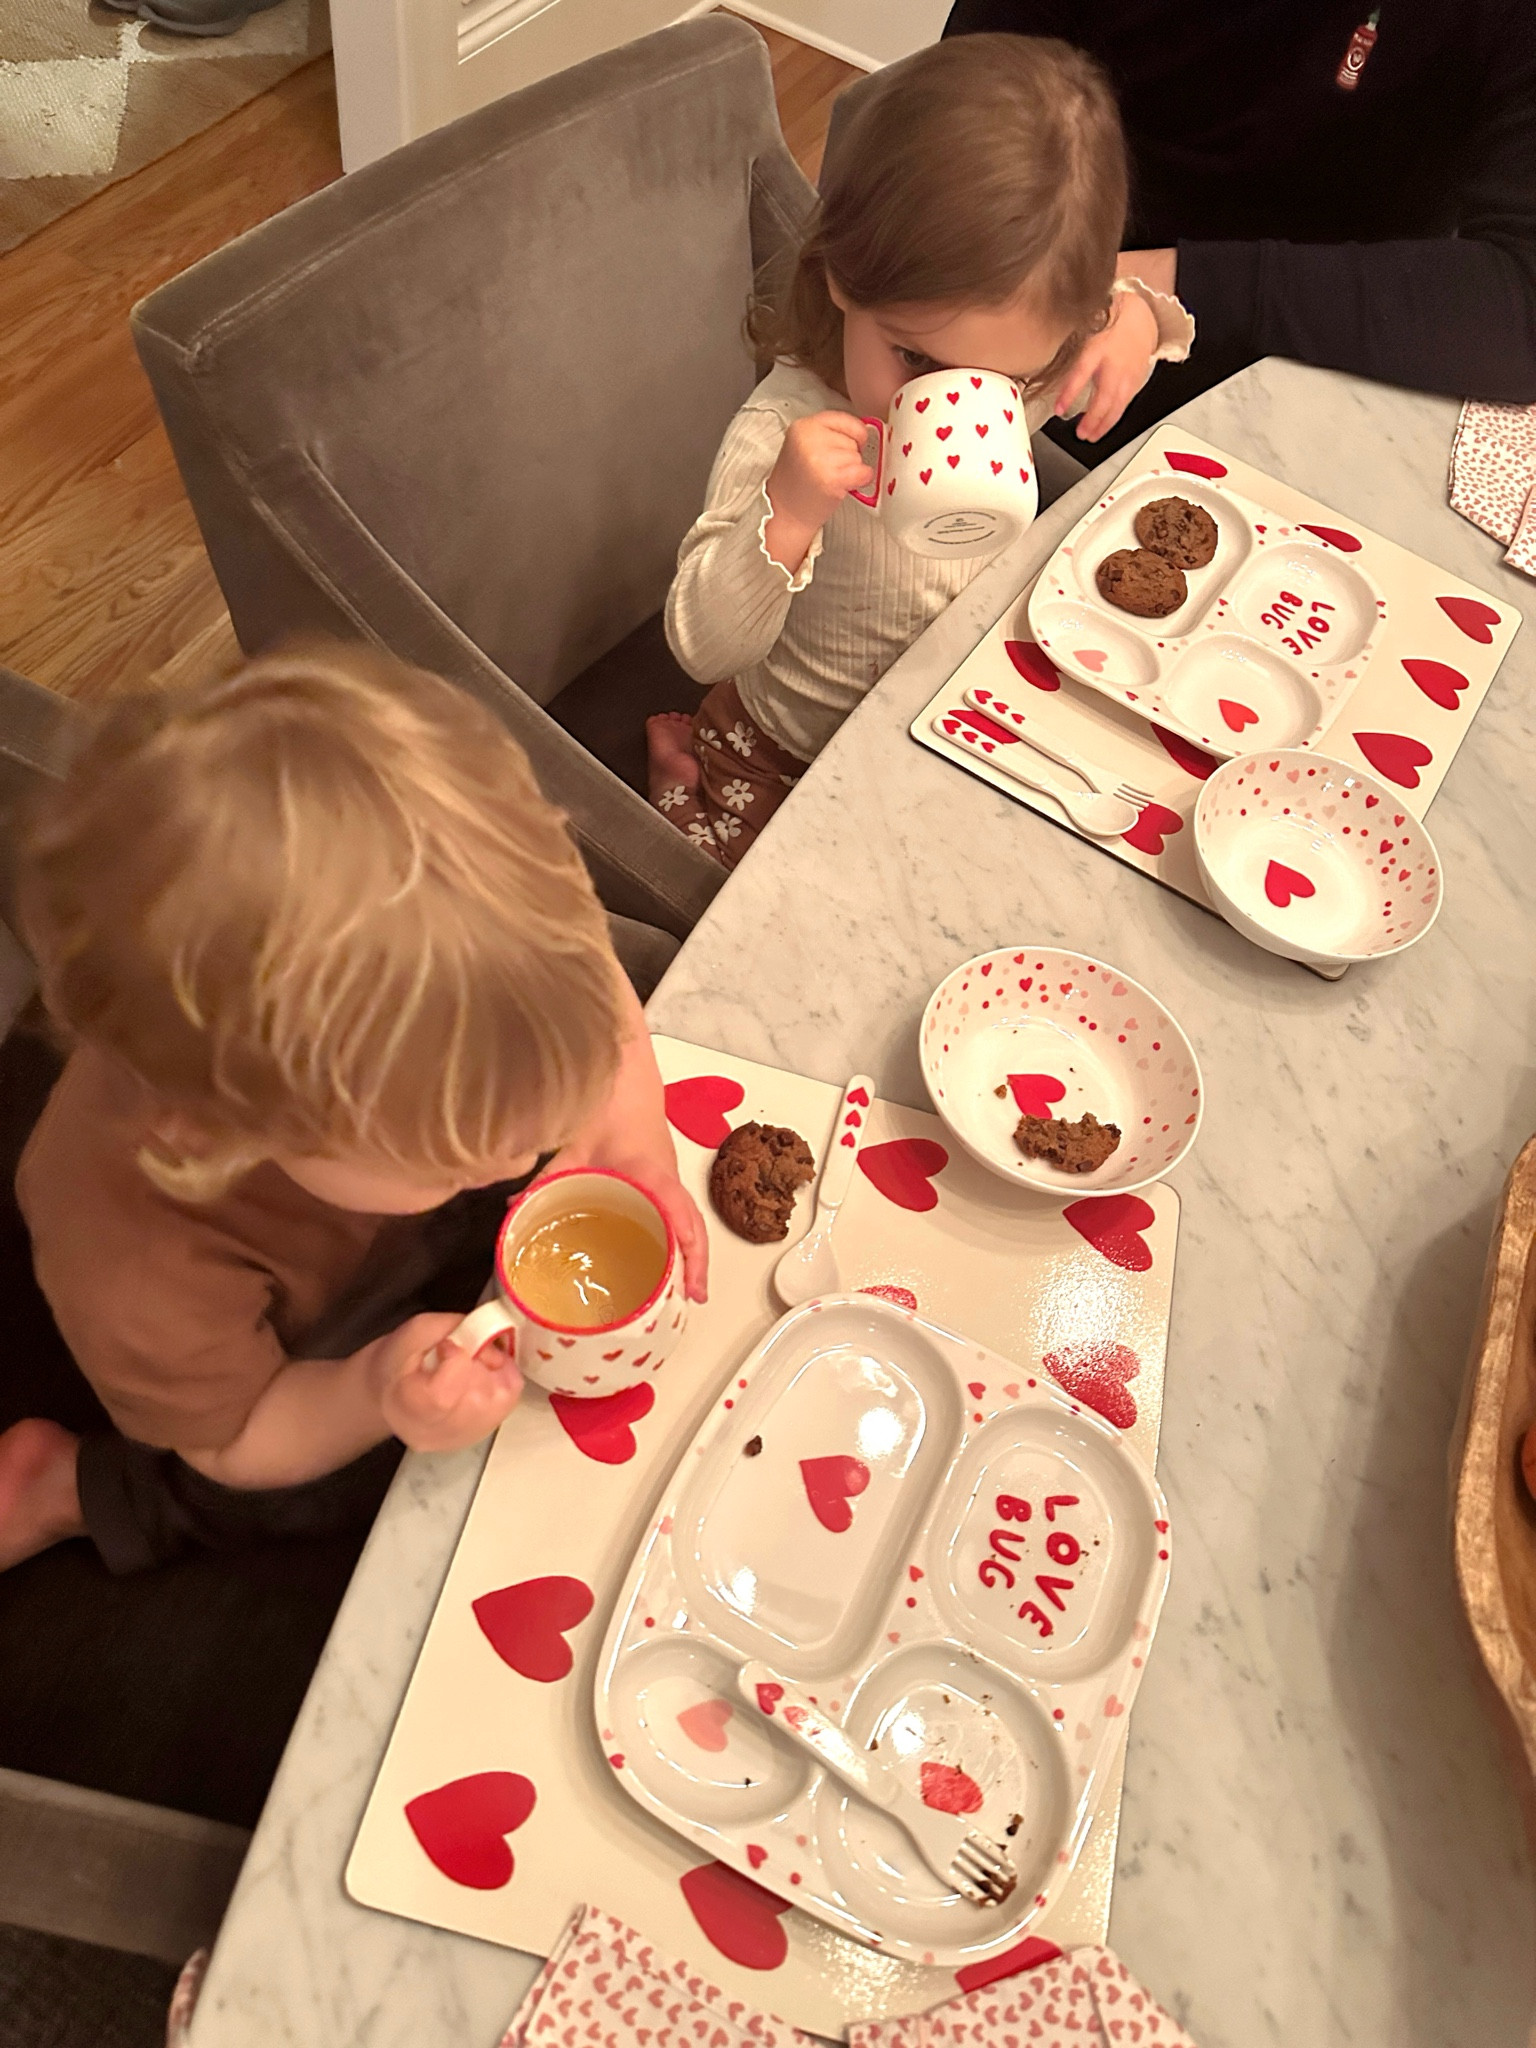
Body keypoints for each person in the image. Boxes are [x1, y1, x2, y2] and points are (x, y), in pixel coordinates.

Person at [0, 644, 706, 1576]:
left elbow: (589, 974)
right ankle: (68, 1490)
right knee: (287, 1496)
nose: (529, 1155)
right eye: (462, 1152)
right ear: (225, 1132)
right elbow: (240, 1435)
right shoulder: (131, 1258)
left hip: (382, 1220)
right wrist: (377, 1391)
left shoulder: (502, 911)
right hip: (281, 1367)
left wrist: (624, 1122)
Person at [647, 35, 1193, 868]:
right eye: (917, 362)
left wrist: (1141, 319)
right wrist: (785, 515)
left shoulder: (1028, 361)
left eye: (1005, 378)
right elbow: (703, 645)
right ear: (842, 275)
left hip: (945, 709)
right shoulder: (782, 431)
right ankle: (684, 758)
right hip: (789, 750)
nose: (953, 404)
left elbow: (1129, 307)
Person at [944, 0, 1536, 451]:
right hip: (1041, 286)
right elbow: (952, 119)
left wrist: (1157, 282)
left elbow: (1520, 310)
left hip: (1319, 363)